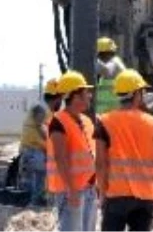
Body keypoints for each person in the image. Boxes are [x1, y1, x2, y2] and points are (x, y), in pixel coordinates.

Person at [95, 69, 153, 232]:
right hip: (145, 198)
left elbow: (100, 164)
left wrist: (102, 193)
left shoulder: (104, 122)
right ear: (136, 94)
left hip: (115, 196)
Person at [46, 70, 98, 232]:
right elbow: (60, 159)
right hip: (71, 191)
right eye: (85, 92)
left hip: (89, 189)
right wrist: (71, 190)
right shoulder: (58, 122)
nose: (89, 95)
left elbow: (90, 156)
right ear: (74, 96)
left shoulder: (87, 121)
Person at [19, 77, 61, 206]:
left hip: (36, 151)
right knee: (37, 182)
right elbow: (40, 125)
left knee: (38, 183)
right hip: (33, 152)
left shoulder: (46, 110)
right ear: (56, 97)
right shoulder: (40, 107)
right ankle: (32, 206)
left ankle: (34, 205)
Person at [95, 37, 127, 114]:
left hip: (114, 111)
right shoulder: (109, 63)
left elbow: (108, 71)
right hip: (106, 112)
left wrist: (93, 60)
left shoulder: (115, 62)